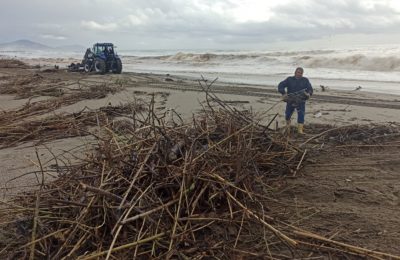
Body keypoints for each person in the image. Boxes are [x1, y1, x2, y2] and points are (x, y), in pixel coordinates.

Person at [278, 67, 313, 134]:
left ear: (302, 74)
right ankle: (288, 127)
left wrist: (309, 94)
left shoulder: (305, 80)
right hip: (290, 100)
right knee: (288, 114)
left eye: (300, 73)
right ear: (295, 72)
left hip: (301, 101)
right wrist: (283, 93)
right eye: (298, 72)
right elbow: (281, 85)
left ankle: (300, 130)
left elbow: (310, 89)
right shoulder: (289, 79)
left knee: (301, 114)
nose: (299, 74)